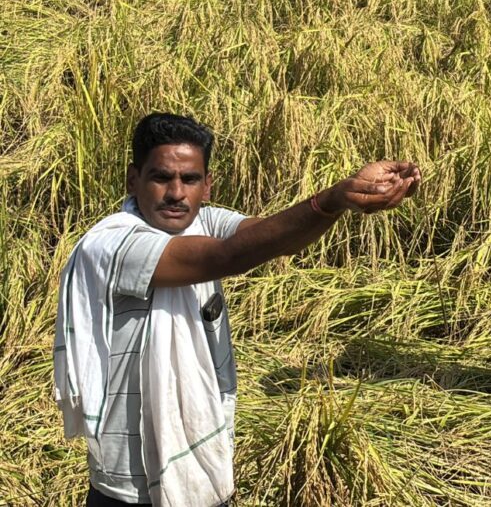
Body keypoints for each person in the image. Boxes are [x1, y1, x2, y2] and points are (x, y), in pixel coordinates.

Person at [53, 113, 420, 506]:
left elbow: (276, 239)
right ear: (133, 180)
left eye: (190, 179)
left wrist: (344, 202)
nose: (177, 193)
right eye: (161, 177)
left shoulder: (203, 221)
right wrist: (328, 200)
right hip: (128, 485)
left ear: (207, 186)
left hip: (201, 467)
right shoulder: (112, 245)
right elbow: (226, 256)